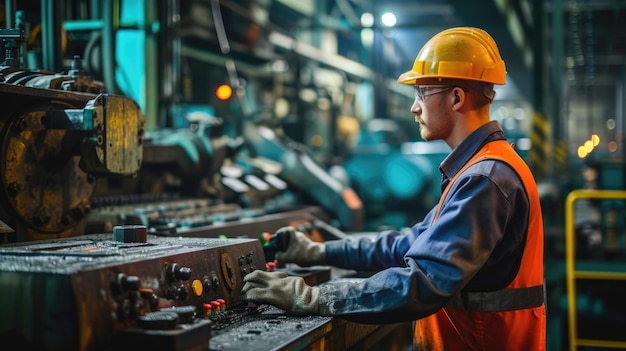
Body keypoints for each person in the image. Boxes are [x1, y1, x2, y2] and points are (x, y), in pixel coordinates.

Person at [241, 27, 546, 351]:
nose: (414, 107)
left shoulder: (484, 179)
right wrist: (321, 251)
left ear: (456, 97)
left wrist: (309, 296)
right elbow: (408, 245)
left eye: (422, 93)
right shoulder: (481, 168)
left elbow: (422, 281)